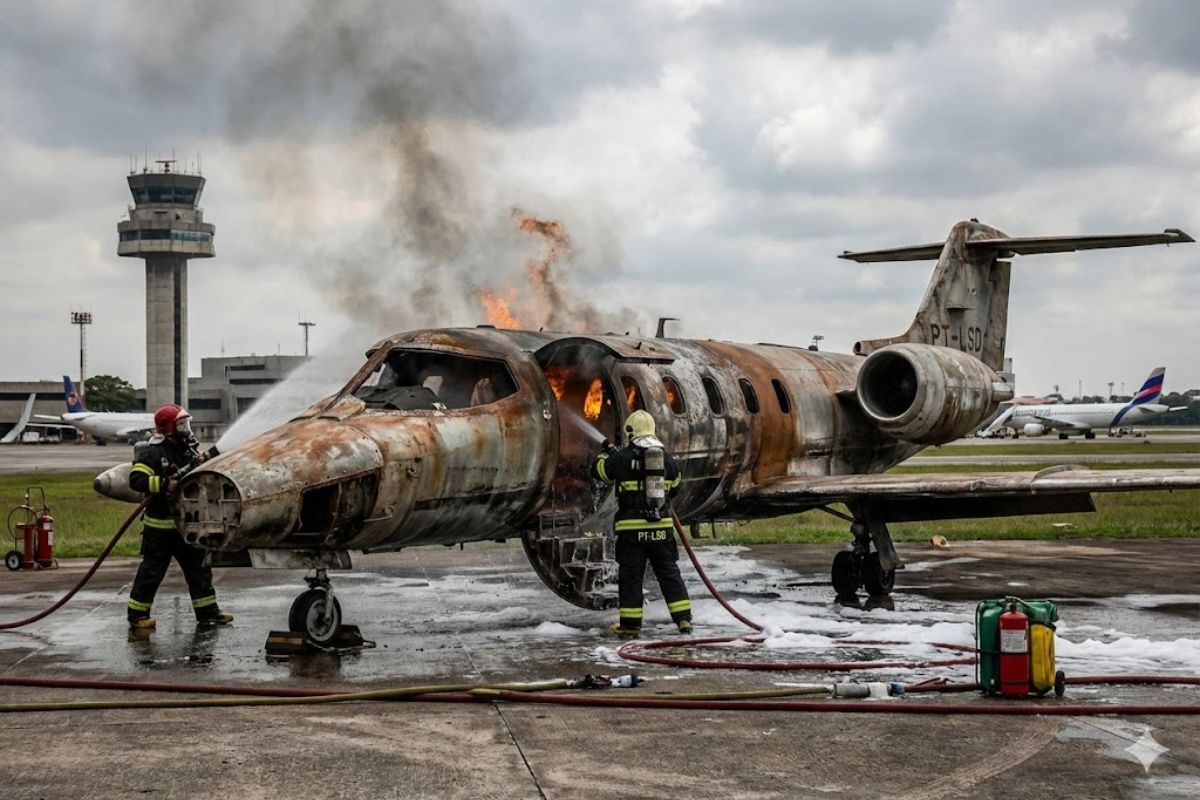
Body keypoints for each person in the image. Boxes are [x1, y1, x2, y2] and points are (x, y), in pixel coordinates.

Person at [126, 404, 232, 630]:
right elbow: (136, 480)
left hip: (186, 525)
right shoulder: (153, 453)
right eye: (181, 424)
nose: (186, 428)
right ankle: (138, 616)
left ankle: (208, 613)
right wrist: (165, 484)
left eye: (186, 423)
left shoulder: (188, 450)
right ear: (168, 428)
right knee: (151, 573)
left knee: (199, 571)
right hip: (160, 529)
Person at [590, 409, 692, 639]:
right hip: (661, 530)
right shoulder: (665, 458)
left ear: (630, 432)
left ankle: (630, 625)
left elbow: (599, 472)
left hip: (632, 533)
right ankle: (684, 619)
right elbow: (675, 487)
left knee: (631, 577)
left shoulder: (622, 458)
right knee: (669, 574)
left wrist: (605, 456)